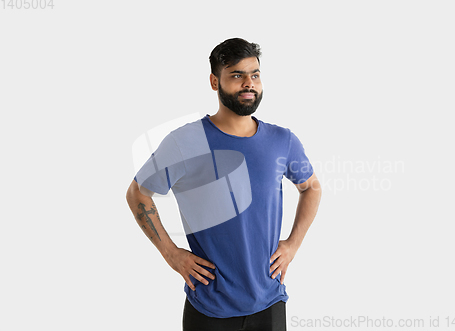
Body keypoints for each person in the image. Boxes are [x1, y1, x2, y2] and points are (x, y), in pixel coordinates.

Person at [126, 38, 321, 331]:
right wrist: (171, 253)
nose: (249, 83)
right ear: (214, 81)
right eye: (237, 75)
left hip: (269, 301)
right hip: (209, 306)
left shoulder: (283, 141)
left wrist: (292, 246)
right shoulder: (185, 142)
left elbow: (312, 188)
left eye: (255, 74)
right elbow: (138, 193)